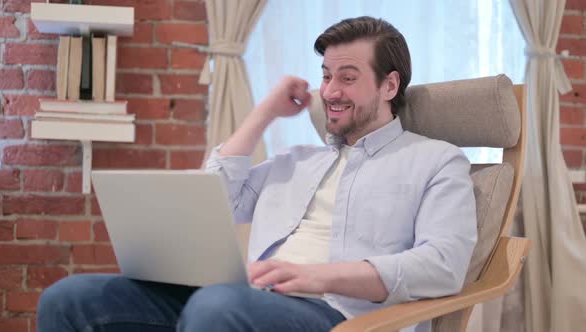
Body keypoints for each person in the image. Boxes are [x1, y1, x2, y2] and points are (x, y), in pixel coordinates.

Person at [37, 16, 477, 332]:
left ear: (389, 85)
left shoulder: (437, 161)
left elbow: (441, 265)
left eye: (347, 77)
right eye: (325, 76)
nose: (329, 92)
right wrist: (264, 113)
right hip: (241, 301)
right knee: (70, 298)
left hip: (339, 314)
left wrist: (319, 276)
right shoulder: (298, 159)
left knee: (217, 307)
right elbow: (219, 199)